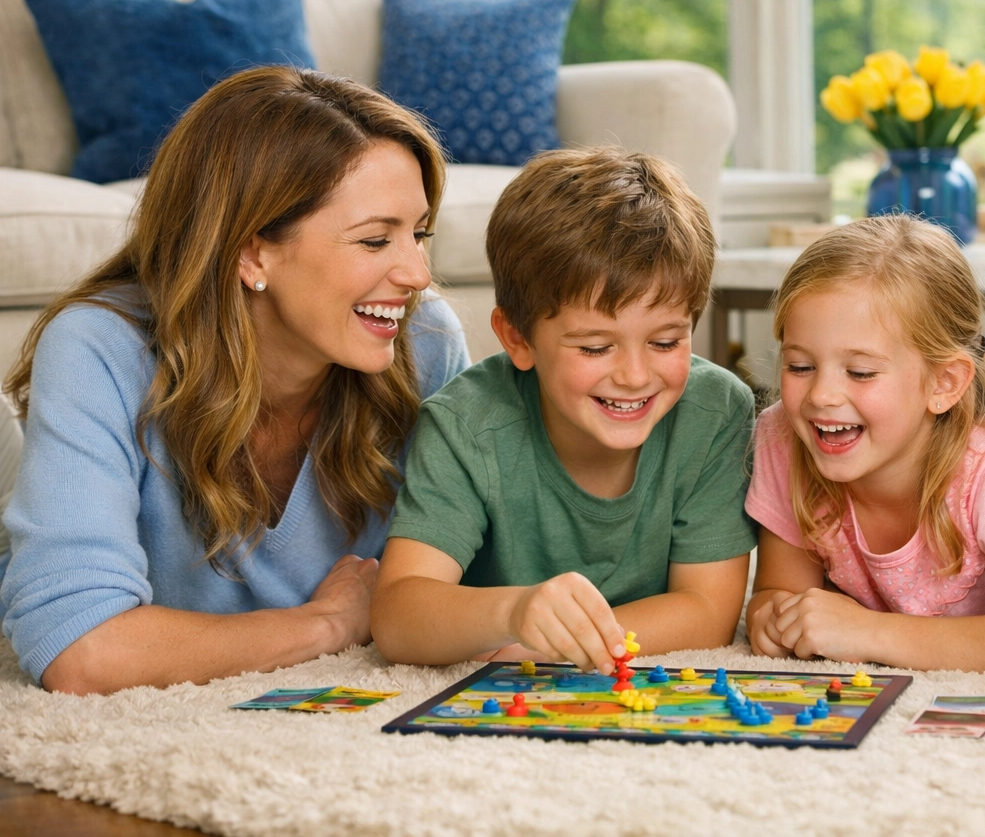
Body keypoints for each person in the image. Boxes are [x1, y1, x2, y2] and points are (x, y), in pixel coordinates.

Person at [0, 66, 471, 694]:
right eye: (374, 240)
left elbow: (489, 569)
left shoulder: (425, 342)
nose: (417, 274)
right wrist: (327, 624)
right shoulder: (101, 347)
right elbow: (78, 649)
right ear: (252, 253)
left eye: (419, 234)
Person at [371, 147, 757, 671]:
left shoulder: (714, 411)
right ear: (517, 338)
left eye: (666, 342)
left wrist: (547, 646)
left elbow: (708, 612)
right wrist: (514, 612)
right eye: (595, 348)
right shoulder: (466, 423)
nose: (635, 376)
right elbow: (397, 619)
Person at [745, 216, 985, 672]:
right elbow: (779, 590)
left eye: (861, 372)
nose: (821, 396)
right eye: (800, 367)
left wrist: (870, 633)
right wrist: (776, 618)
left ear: (944, 383)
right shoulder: (786, 435)